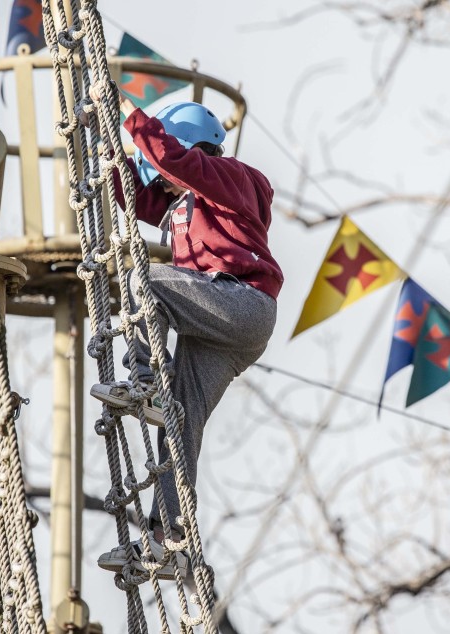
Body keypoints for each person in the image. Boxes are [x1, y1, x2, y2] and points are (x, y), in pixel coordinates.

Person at [90, 90, 283, 579]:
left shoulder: (231, 178)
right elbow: (136, 195)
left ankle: (145, 379)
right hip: (222, 323)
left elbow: (175, 163)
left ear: (190, 146)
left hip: (242, 302)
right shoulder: (183, 202)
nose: (163, 182)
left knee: (146, 280)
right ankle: (167, 539)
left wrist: (129, 116)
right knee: (181, 421)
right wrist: (107, 148)